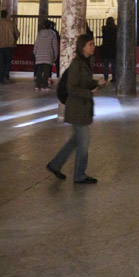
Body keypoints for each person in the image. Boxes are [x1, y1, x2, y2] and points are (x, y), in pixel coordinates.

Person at [46, 34, 106, 184]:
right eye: (90, 44)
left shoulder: (86, 63)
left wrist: (96, 83)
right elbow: (71, 88)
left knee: (75, 140)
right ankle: (79, 175)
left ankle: (55, 164)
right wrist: (89, 92)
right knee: (84, 141)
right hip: (76, 109)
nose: (93, 46)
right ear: (82, 46)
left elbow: (84, 82)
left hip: (82, 108)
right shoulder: (76, 64)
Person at [33, 20, 59, 91]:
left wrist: (35, 52)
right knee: (46, 71)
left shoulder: (40, 33)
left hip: (39, 53)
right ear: (50, 26)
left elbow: (36, 43)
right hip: (48, 54)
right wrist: (55, 55)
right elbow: (55, 46)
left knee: (39, 70)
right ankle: (45, 85)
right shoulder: (53, 34)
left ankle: (38, 85)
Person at [0, 8, 19, 84]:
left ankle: (0, 78)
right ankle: (6, 75)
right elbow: (17, 34)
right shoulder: (11, 23)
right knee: (8, 62)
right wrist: (14, 40)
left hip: (0, 46)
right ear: (7, 15)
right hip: (9, 46)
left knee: (1, 62)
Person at [101, 16, 117, 82]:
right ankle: (114, 77)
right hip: (113, 49)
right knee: (114, 65)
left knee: (105, 65)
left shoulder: (104, 29)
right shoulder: (115, 29)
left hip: (106, 49)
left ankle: (105, 77)